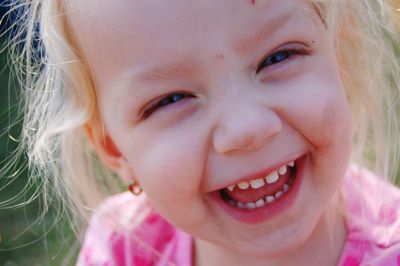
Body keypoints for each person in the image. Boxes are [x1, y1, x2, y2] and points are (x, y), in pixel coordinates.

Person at [4, 0, 400, 265]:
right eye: (171, 99)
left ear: (338, 54)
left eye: (278, 57)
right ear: (115, 149)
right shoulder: (125, 250)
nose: (245, 130)